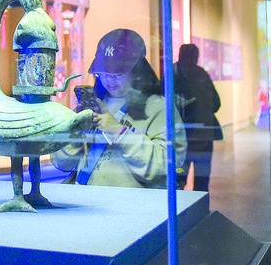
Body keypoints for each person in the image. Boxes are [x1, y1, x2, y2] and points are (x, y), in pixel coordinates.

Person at [52, 29, 186, 188]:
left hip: (131, 201)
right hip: (87, 197)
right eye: (103, 73)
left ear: (136, 72)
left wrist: (119, 132)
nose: (109, 80)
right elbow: (60, 162)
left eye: (118, 75)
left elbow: (167, 164)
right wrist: (77, 133)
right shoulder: (94, 104)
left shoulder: (158, 107)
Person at [174, 43, 221, 191]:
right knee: (202, 182)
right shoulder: (202, 74)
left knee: (178, 180)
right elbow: (216, 104)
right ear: (196, 57)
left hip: (180, 137)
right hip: (204, 137)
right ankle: (200, 205)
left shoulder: (172, 73)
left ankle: (180, 205)